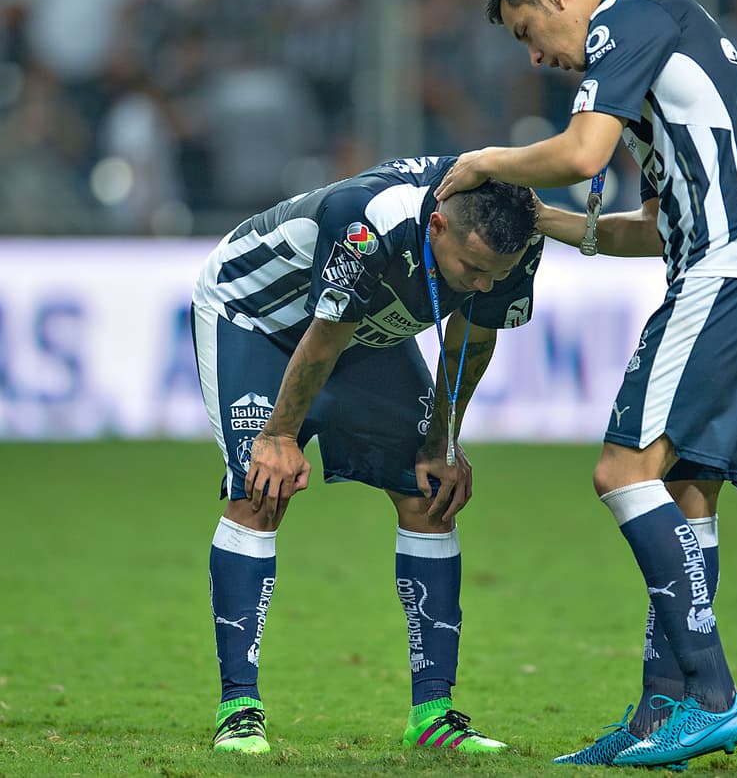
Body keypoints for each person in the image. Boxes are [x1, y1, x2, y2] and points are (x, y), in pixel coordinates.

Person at [435, 0, 737, 769]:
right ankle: (658, 713)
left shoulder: (629, 17)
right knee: (688, 489)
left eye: (529, 30)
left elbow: (578, 153)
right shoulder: (658, 51)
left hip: (727, 269)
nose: (535, 55)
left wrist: (484, 161)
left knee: (620, 470)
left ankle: (712, 696)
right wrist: (545, 223)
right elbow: (649, 225)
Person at [191, 155, 543, 755]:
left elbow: (468, 343)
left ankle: (433, 714)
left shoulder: (513, 238)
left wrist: (442, 442)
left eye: (495, 274)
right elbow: (322, 337)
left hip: (361, 334)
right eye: (472, 268)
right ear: (436, 226)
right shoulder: (369, 220)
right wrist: (277, 437)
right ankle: (239, 708)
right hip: (257, 321)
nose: (483, 284)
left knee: (431, 494)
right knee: (260, 491)